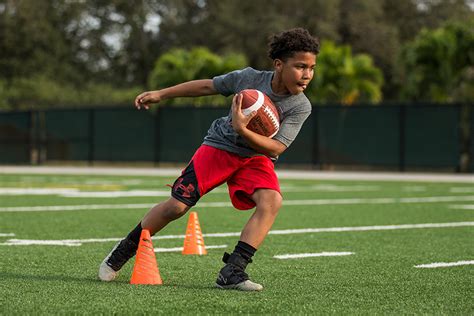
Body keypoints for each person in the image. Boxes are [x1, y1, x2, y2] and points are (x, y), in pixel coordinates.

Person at [99, 28, 320, 291]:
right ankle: (122, 251)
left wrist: (243, 129)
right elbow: (207, 86)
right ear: (279, 64)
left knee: (271, 201)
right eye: (300, 66)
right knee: (176, 207)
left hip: (255, 157)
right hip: (220, 147)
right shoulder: (249, 79)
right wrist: (162, 94)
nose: (307, 75)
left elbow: (275, 149)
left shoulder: (300, 105)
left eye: (311, 68)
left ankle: (233, 270)